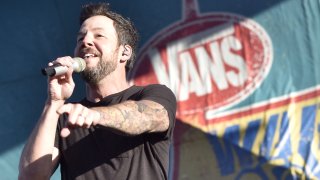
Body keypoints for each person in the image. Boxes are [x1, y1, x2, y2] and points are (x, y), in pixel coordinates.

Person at [18, 2, 176, 180]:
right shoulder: (64, 116)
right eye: (80, 38)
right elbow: (31, 177)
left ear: (124, 53)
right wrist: (53, 102)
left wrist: (97, 116)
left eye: (99, 35)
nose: (86, 41)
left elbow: (147, 117)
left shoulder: (153, 95)